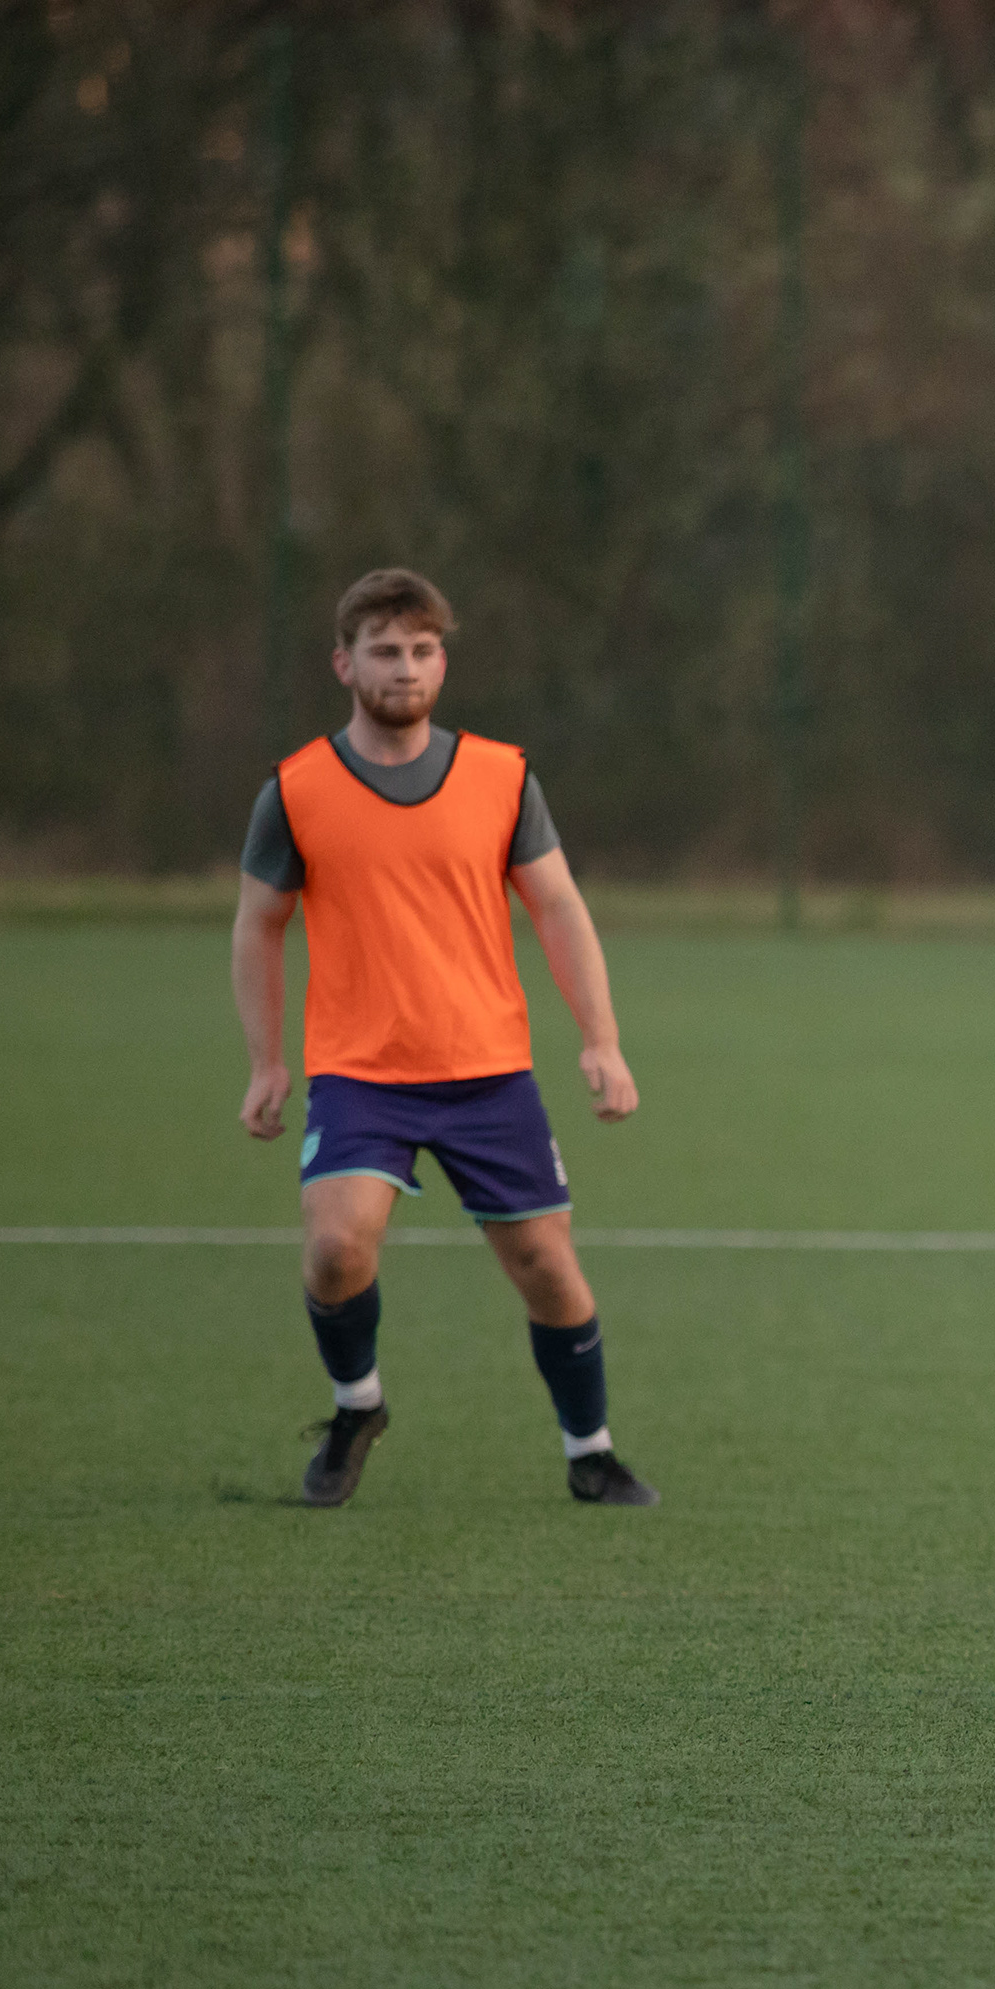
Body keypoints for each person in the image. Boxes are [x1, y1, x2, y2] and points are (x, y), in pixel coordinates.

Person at [232, 569, 658, 1508]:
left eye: (423, 651)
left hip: (488, 1071)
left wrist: (601, 1038)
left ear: (443, 663)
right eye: (385, 651)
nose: (406, 668)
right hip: (359, 1073)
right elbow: (259, 923)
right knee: (336, 1249)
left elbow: (558, 905)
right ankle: (358, 1406)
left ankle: (590, 1452)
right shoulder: (295, 790)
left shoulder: (502, 777)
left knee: (547, 1268)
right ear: (344, 664)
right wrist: (267, 1062)